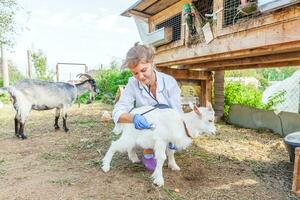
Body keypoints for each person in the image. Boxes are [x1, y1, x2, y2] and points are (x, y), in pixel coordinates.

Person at [112, 42, 182, 171]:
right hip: (148, 124)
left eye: (143, 70)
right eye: (135, 73)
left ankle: (170, 155)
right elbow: (118, 110)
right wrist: (133, 118)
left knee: (168, 136)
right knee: (150, 128)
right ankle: (148, 152)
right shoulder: (132, 84)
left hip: (166, 121)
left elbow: (177, 110)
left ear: (152, 63)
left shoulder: (169, 82)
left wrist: (176, 131)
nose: (140, 77)